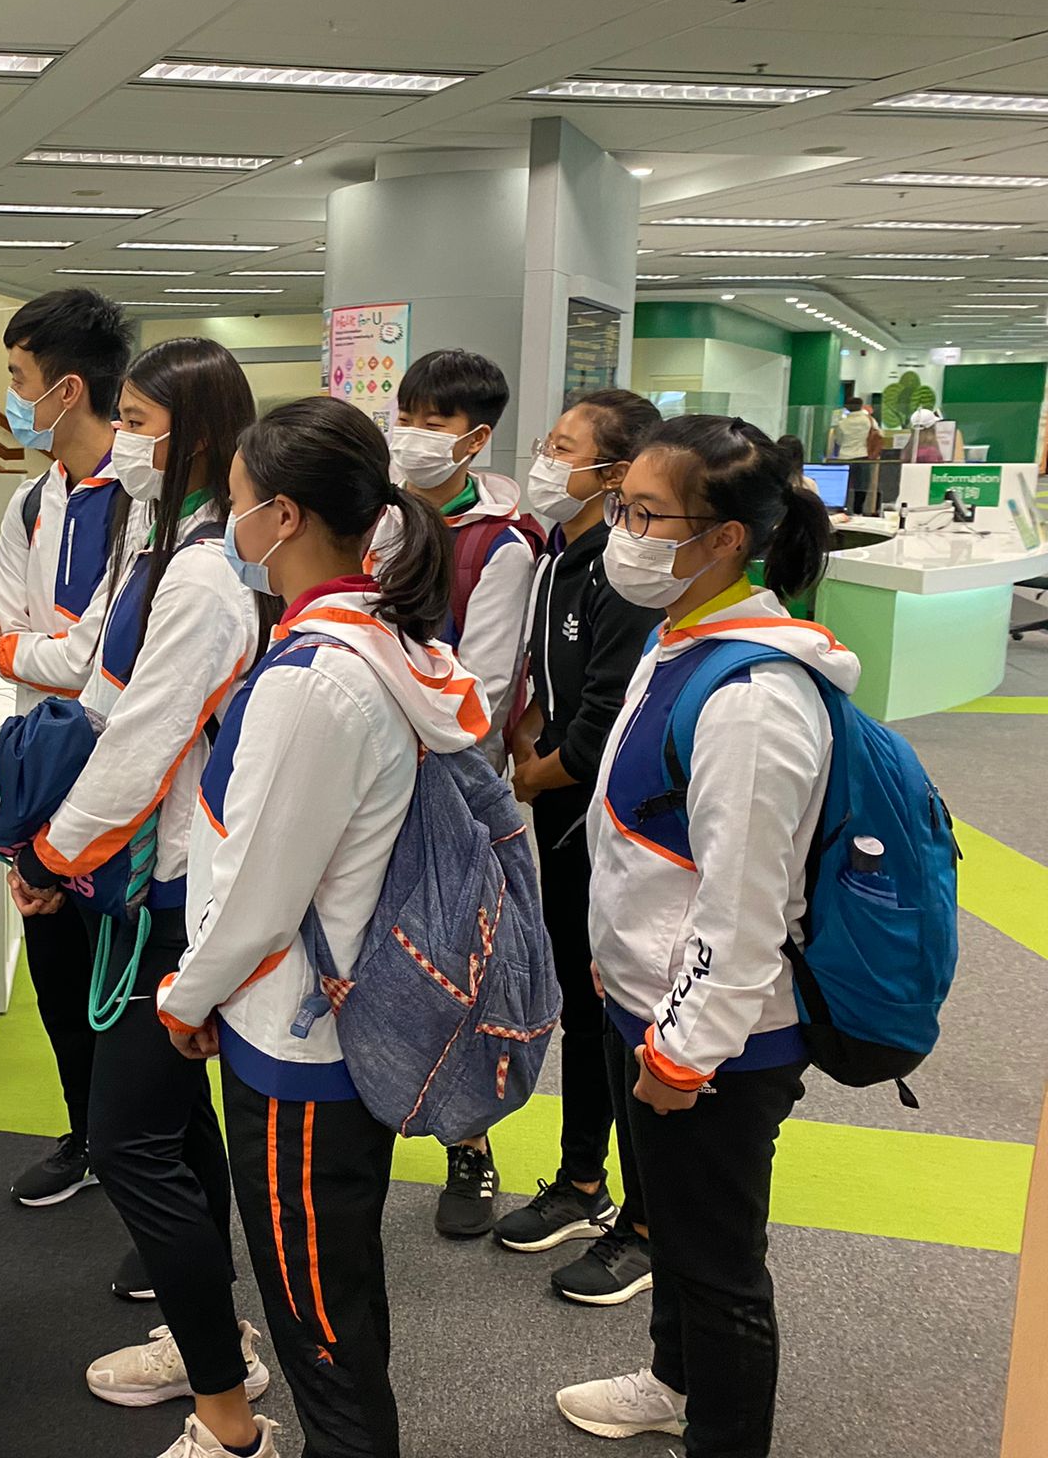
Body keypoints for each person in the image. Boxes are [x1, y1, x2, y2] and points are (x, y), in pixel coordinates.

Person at [156, 396, 476, 1458]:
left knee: (321, 1334)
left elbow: (257, 890)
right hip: (330, 1021)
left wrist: (185, 996)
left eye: (235, 507)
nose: (226, 529)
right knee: (333, 1305)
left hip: (297, 1040)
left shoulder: (315, 680)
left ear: (283, 516)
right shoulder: (379, 642)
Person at [556, 415, 850, 1456]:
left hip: (718, 1038)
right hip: (644, 1002)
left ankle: (720, 1433)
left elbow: (743, 909)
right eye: (619, 505)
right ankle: (670, 1379)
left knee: (718, 1263)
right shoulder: (683, 638)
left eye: (642, 514)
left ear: (723, 537)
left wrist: (682, 1053)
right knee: (672, 1234)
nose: (618, 531)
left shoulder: (755, 697)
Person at [8, 338, 270, 1458]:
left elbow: (145, 742)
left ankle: (227, 1420)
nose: (121, 438)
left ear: (198, 436)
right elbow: (103, 687)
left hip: (165, 895)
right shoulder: (155, 549)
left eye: (139, 419)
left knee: (126, 1143)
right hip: (132, 880)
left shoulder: (207, 577)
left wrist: (51, 857)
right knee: (169, 1133)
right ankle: (211, 1340)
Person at [494, 389, 665, 1307]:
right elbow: (550, 689)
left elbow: (600, 728)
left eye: (565, 447)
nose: (546, 458)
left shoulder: (625, 575)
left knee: (628, 1013)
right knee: (583, 1010)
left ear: (616, 470)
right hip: (565, 827)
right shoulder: (559, 555)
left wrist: (528, 775)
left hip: (614, 828)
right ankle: (582, 1180)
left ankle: (644, 1222)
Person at [0, 288, 140, 1217]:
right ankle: (82, 1134)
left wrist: (18, 650)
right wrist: (29, 653)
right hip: (40, 769)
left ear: (66, 388)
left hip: (121, 783)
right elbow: (13, 630)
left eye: (17, 380)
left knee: (122, 983)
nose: (12, 397)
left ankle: (132, 1153)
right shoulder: (33, 500)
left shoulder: (143, 505)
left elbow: (85, 657)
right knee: (54, 970)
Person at [389, 347, 540, 1238]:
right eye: (406, 414)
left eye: (433, 422)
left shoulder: (500, 545)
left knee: (457, 971)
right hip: (366, 782)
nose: (411, 435)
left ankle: (470, 1150)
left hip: (449, 788)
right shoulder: (382, 517)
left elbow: (477, 695)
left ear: (475, 438)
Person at [824, 395, 874, 461]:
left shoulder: (841, 423)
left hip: (844, 456)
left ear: (846, 407)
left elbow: (838, 440)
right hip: (862, 454)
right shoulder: (869, 420)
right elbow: (878, 433)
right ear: (861, 406)